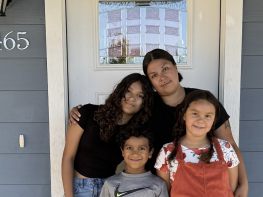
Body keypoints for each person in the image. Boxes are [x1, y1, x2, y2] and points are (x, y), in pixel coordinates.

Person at [69, 49, 248, 197]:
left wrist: (243, 183)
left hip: (208, 186)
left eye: (165, 69)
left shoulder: (201, 102)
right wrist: (83, 112)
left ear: (176, 67)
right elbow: (119, 111)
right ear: (151, 82)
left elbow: (230, 144)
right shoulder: (146, 104)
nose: (162, 77)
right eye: (154, 75)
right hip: (157, 188)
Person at [62, 73, 154, 197]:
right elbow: (68, 157)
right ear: (120, 92)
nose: (132, 98)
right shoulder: (88, 113)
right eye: (128, 91)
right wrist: (69, 195)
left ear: (144, 103)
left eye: (140, 96)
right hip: (79, 188)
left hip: (110, 189)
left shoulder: (135, 132)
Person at [155, 90, 239, 196]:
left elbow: (230, 188)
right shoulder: (167, 151)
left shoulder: (226, 149)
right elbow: (164, 193)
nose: (201, 120)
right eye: (195, 113)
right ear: (184, 114)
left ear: (214, 119)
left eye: (207, 116)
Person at [99, 126, 169, 197]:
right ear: (122, 151)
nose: (135, 154)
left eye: (141, 148)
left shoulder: (159, 184)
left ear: (150, 152)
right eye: (129, 148)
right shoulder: (110, 183)